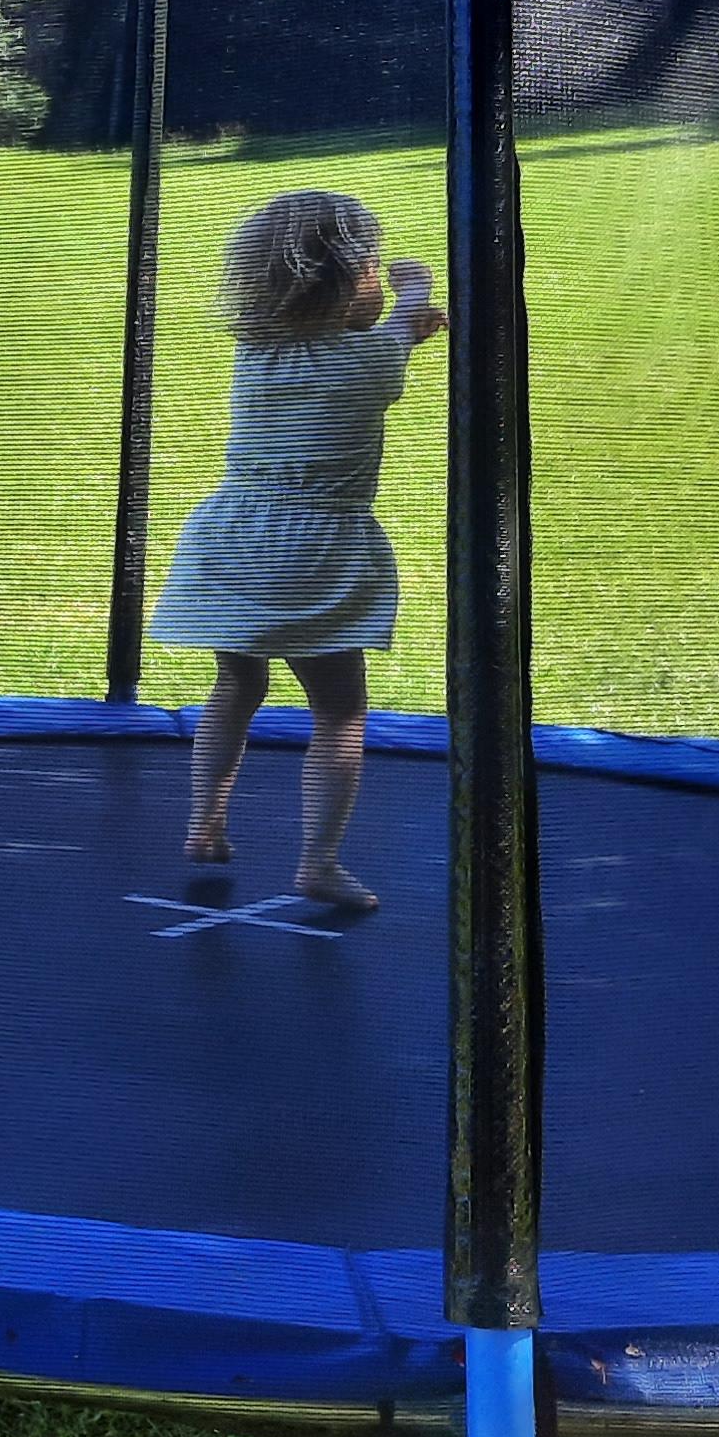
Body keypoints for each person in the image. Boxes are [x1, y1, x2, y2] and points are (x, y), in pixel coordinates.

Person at [149, 188, 446, 913]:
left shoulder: (255, 353)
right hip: (311, 549)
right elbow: (392, 333)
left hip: (230, 537)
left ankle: (204, 824)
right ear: (344, 284)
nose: (381, 282)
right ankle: (319, 862)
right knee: (339, 711)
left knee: (237, 685)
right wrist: (416, 287)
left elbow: (377, 340)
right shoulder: (369, 359)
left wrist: (397, 318)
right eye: (371, 269)